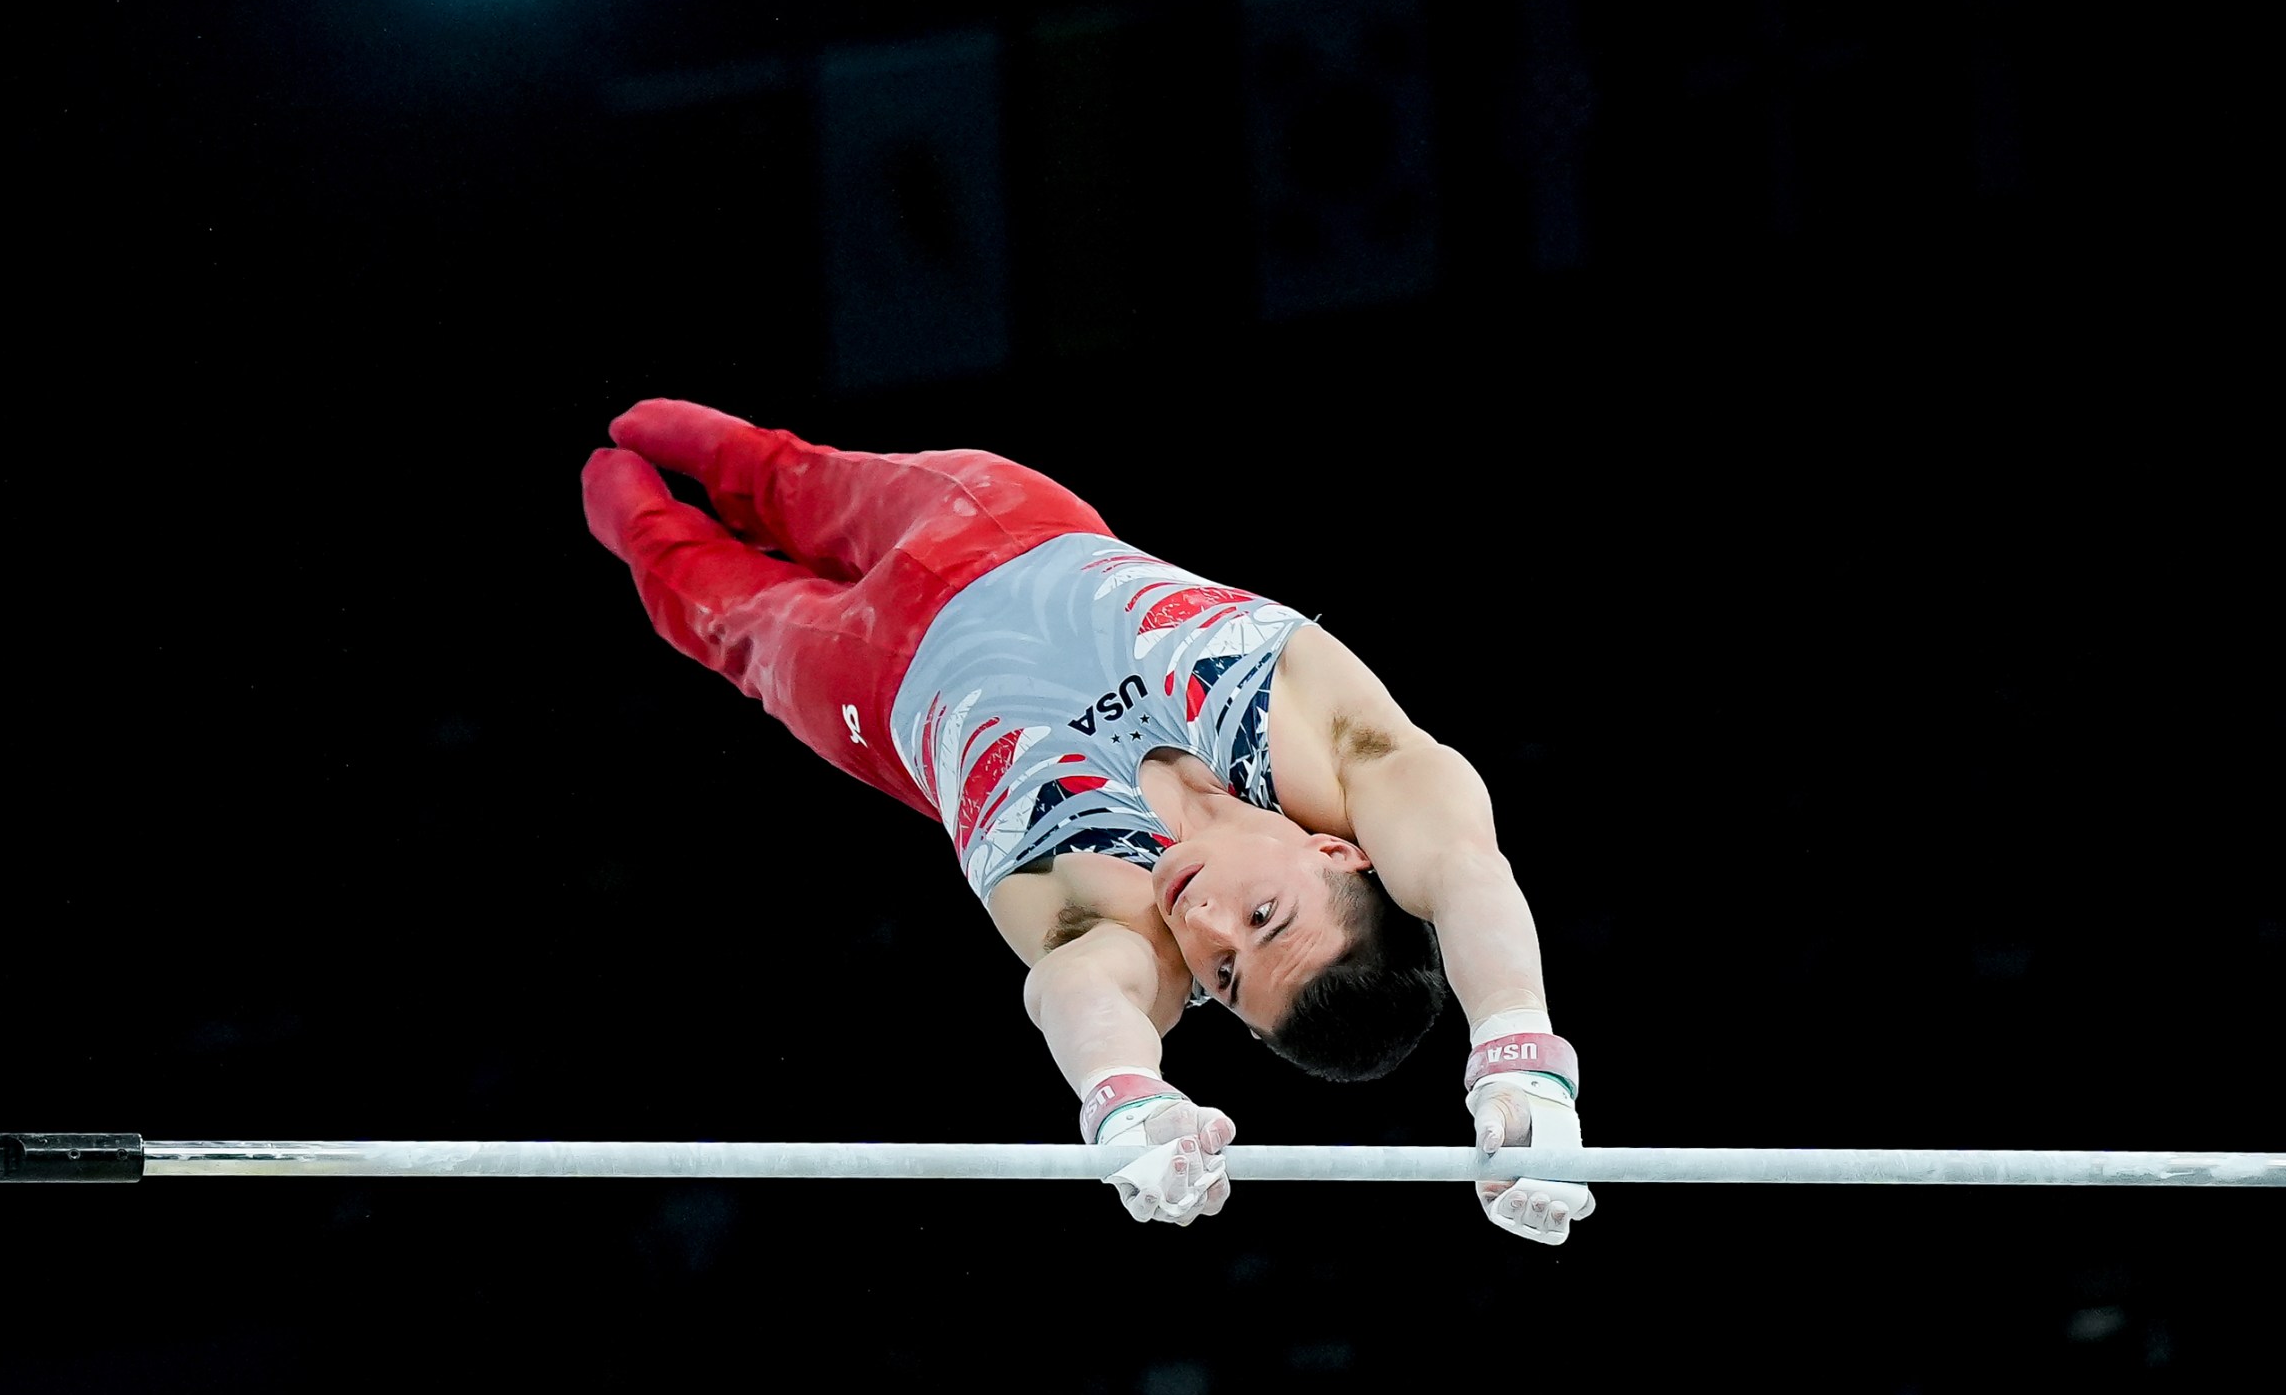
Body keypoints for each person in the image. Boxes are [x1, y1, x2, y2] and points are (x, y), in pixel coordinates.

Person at [580, 399, 1591, 1242]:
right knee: (775, 469)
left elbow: (1077, 989)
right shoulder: (1347, 750)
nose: (1207, 931)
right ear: (1336, 849)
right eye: (1266, 918)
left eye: (1226, 979)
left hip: (867, 677)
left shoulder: (1125, 924)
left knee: (689, 583)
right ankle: (656, 433)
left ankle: (612, 496)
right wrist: (1517, 1051)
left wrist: (1125, 1097)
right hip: (1004, 518)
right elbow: (1461, 867)